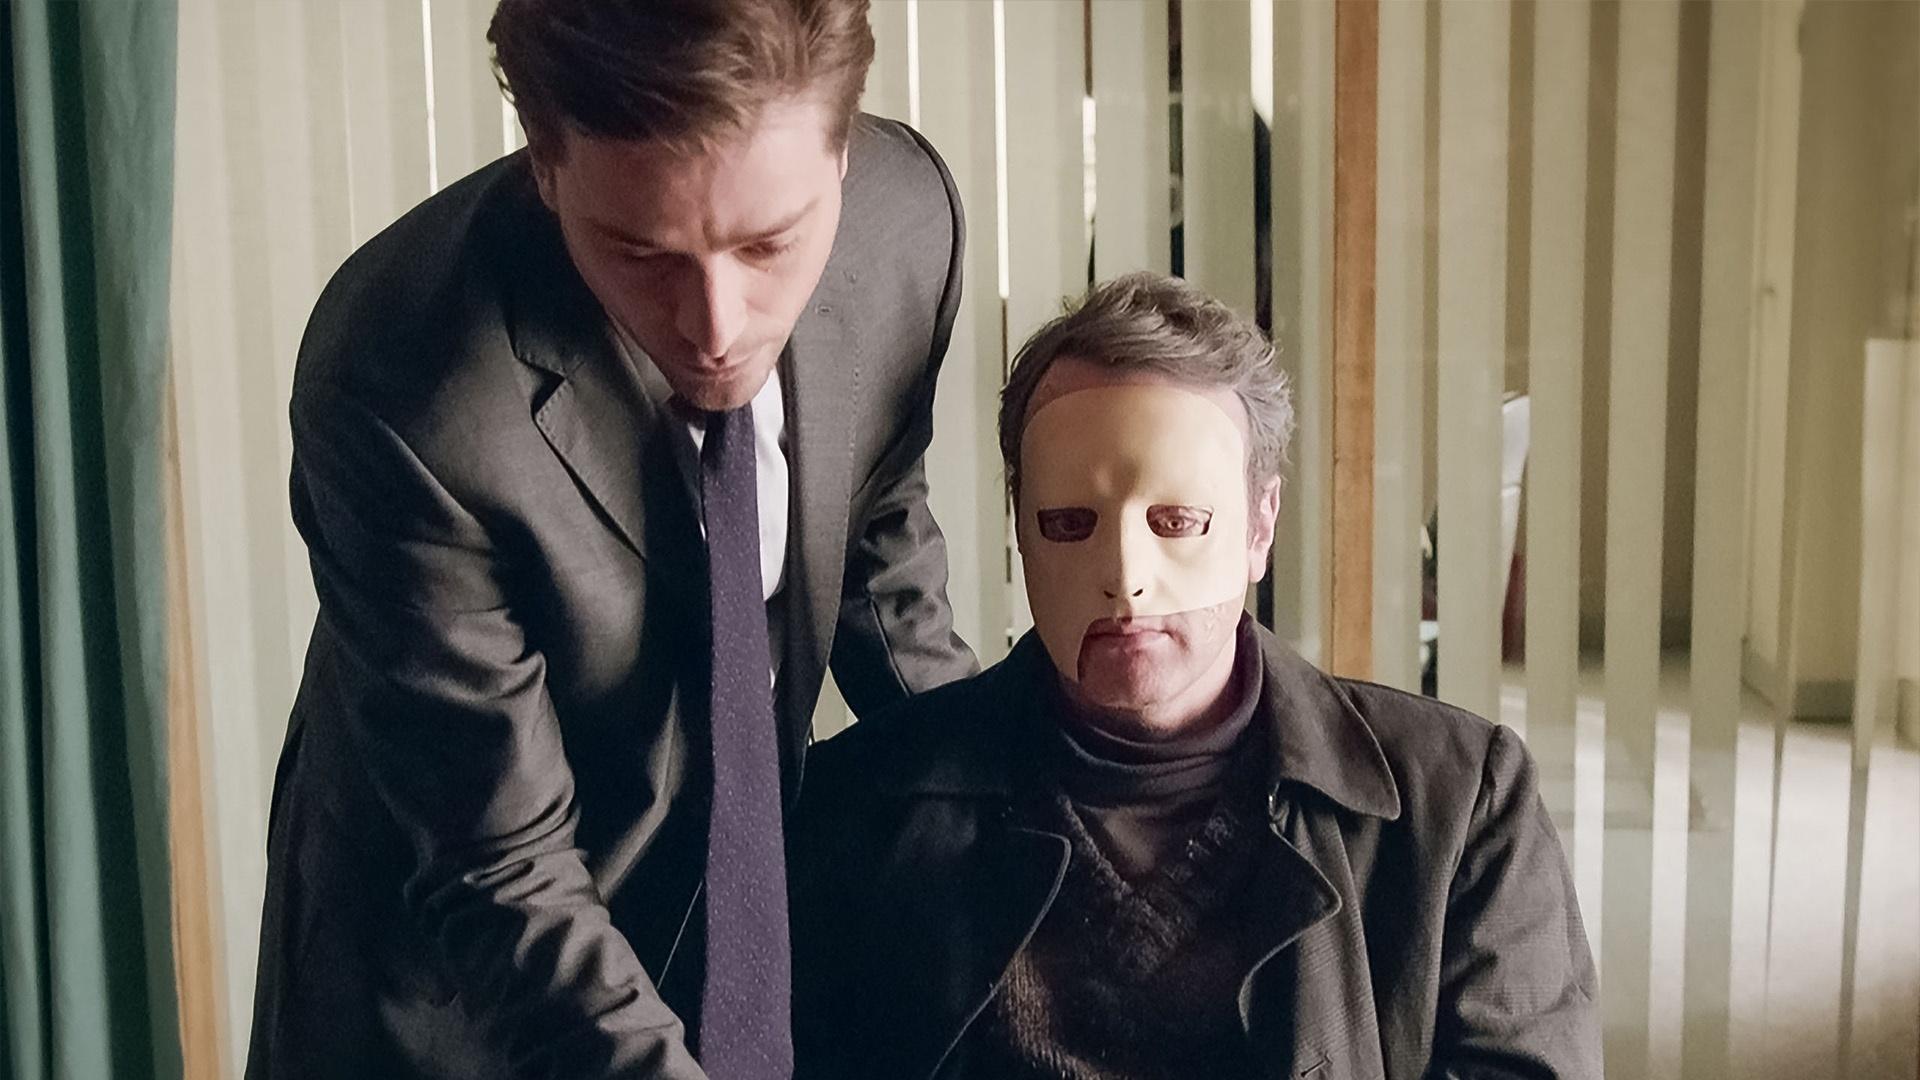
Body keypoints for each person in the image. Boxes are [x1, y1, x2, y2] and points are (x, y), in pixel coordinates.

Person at [247, 1, 978, 1076]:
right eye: (642, 252)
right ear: (546, 168)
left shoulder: (909, 225)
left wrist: (1026, 824)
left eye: (769, 245)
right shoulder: (404, 383)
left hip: (729, 930)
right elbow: (503, 878)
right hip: (455, 1004)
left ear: (842, 152)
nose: (718, 327)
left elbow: (877, 547)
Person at [790, 273, 1601, 1080]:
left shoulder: (1459, 808)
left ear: (1259, 527)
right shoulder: (855, 807)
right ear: (1021, 532)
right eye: (1069, 523)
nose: (1125, 578)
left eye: (1177, 521)